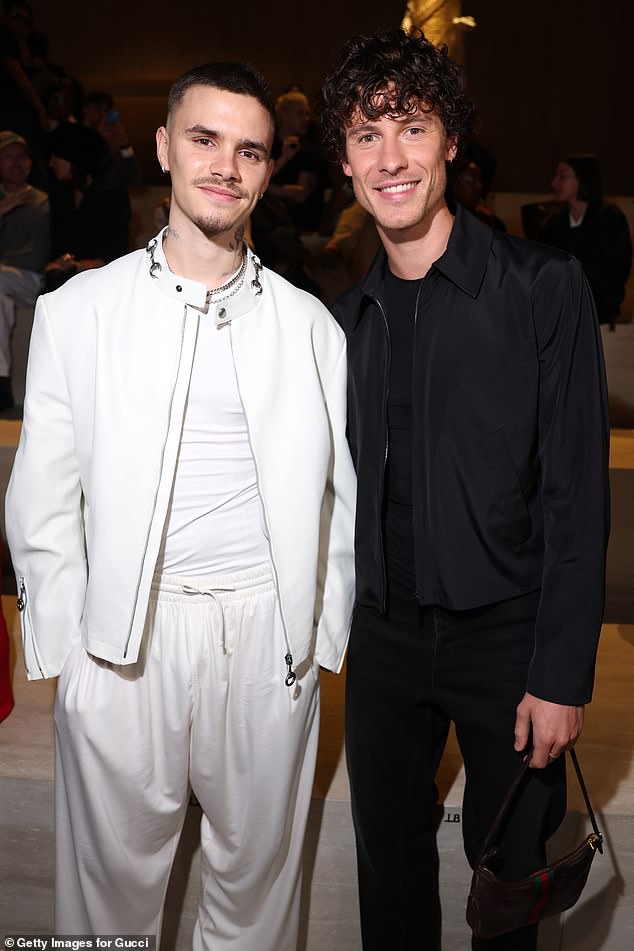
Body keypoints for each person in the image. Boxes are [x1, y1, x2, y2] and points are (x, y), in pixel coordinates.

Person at [5, 61, 356, 946]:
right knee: (103, 901)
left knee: (257, 893)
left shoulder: (312, 325)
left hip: (265, 645)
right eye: (204, 140)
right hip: (124, 644)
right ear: (164, 147)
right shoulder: (78, 311)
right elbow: (43, 490)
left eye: (250, 150)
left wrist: (316, 639)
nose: (225, 167)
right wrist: (66, 656)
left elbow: (337, 500)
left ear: (269, 170)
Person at [320, 28, 609, 951]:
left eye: (412, 126)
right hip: (388, 639)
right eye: (368, 135)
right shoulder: (344, 319)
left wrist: (561, 672)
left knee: (507, 893)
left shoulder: (541, 287)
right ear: (345, 162)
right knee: (388, 873)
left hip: (509, 638)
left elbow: (575, 495)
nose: (391, 156)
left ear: (452, 142)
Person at [539, 154, 632, 328]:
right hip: (560, 316)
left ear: (583, 179)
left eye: (562, 176)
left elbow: (617, 271)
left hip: (600, 315)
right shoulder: (553, 224)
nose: (554, 183)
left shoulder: (610, 219)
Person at [43, 121, 130, 291]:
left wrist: (85, 265)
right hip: (67, 277)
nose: (51, 163)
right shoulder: (60, 196)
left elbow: (116, 251)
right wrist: (60, 262)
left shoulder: (112, 195)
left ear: (73, 158)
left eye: (56, 156)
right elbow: (58, 248)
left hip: (103, 279)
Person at [0, 129, 49, 410]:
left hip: (31, 280)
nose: (17, 163)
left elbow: (36, 256)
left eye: (22, 156)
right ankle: (3, 380)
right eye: (8, 157)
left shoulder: (41, 200)